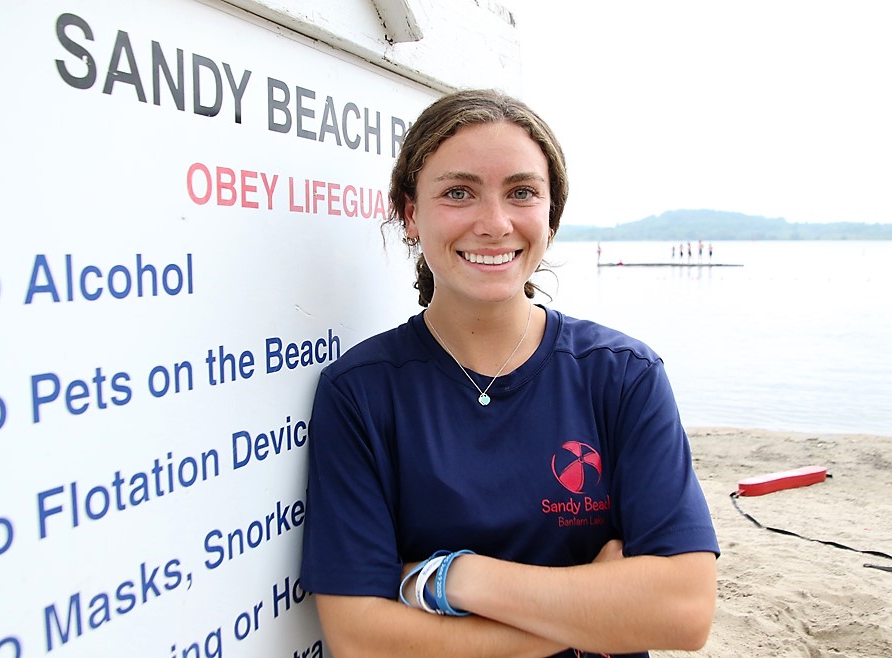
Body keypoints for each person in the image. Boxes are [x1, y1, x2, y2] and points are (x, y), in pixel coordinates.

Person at [300, 89, 718, 658]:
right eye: (458, 192)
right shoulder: (361, 392)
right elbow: (360, 640)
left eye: (521, 192)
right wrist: (594, 614)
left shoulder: (623, 377)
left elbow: (684, 612)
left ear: (551, 215)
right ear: (410, 213)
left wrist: (453, 578)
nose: (494, 223)